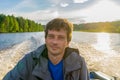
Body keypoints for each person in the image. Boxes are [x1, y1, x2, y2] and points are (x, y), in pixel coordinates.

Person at [3, 18, 89, 80]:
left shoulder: (79, 63)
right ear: (45, 39)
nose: (55, 42)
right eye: (51, 36)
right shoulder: (29, 61)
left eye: (60, 37)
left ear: (68, 42)